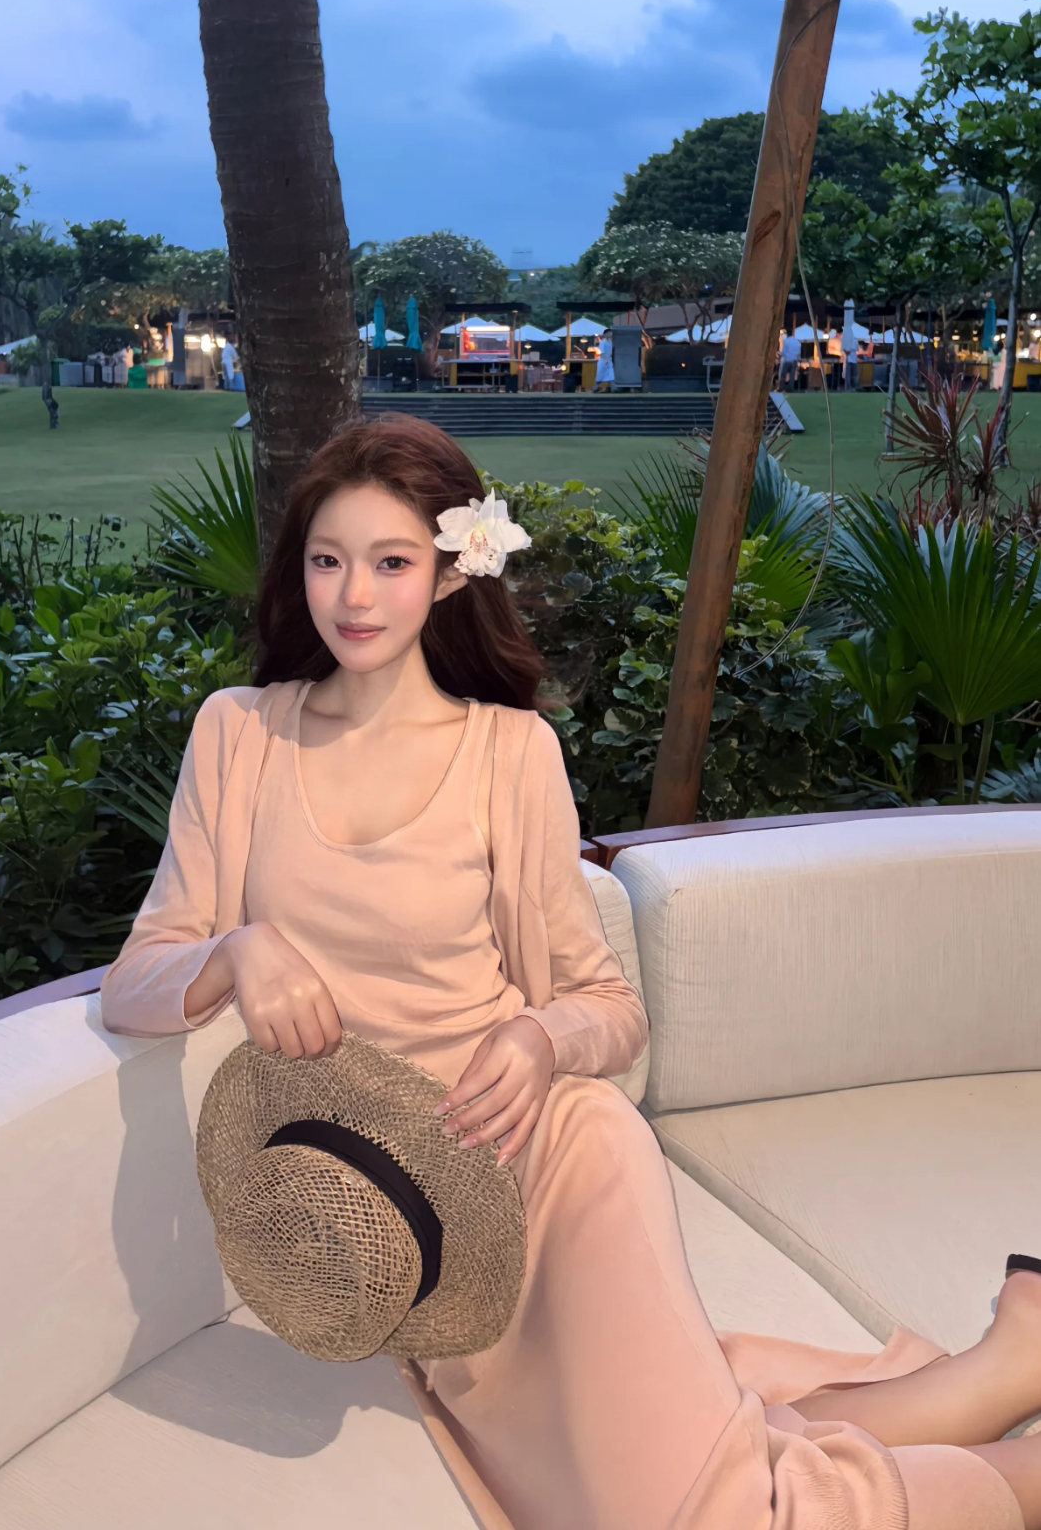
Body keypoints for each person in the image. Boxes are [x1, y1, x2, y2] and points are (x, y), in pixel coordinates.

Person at [101, 417, 1039, 1530]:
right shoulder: (238, 734)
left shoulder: (508, 751)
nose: (351, 595)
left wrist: (539, 1037)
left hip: (542, 1159)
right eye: (326, 559)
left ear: (452, 573)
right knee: (685, 1473)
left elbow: (607, 1007)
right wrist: (235, 949)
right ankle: (1008, 1365)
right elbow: (138, 978)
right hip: (401, 1221)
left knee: (708, 1513)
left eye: (391, 562)